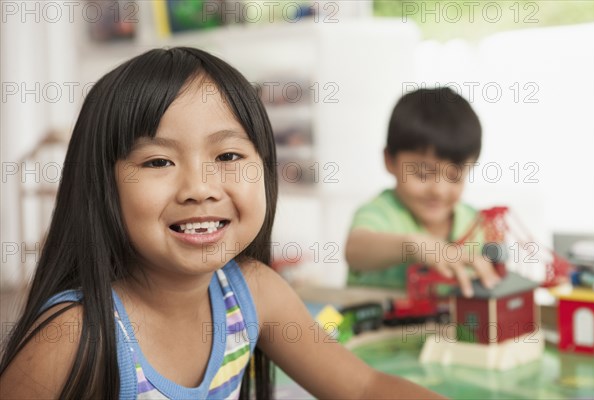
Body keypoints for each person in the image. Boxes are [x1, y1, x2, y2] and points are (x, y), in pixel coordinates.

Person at [0, 48, 443, 399]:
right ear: (102, 185)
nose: (200, 187)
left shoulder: (251, 292)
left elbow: (364, 388)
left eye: (228, 156)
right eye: (158, 161)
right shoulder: (75, 333)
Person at [345, 88, 501, 298]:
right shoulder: (381, 213)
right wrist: (413, 245)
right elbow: (355, 250)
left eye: (454, 176)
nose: (438, 190)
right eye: (422, 174)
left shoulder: (475, 223)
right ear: (390, 160)